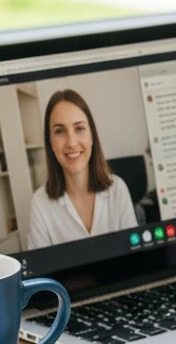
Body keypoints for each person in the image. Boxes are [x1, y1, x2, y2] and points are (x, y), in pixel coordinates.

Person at [27, 88, 137, 249]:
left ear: (92, 135)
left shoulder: (118, 189)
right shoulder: (40, 204)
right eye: (60, 131)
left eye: (79, 128)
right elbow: (41, 273)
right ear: (50, 141)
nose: (71, 142)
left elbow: (136, 259)